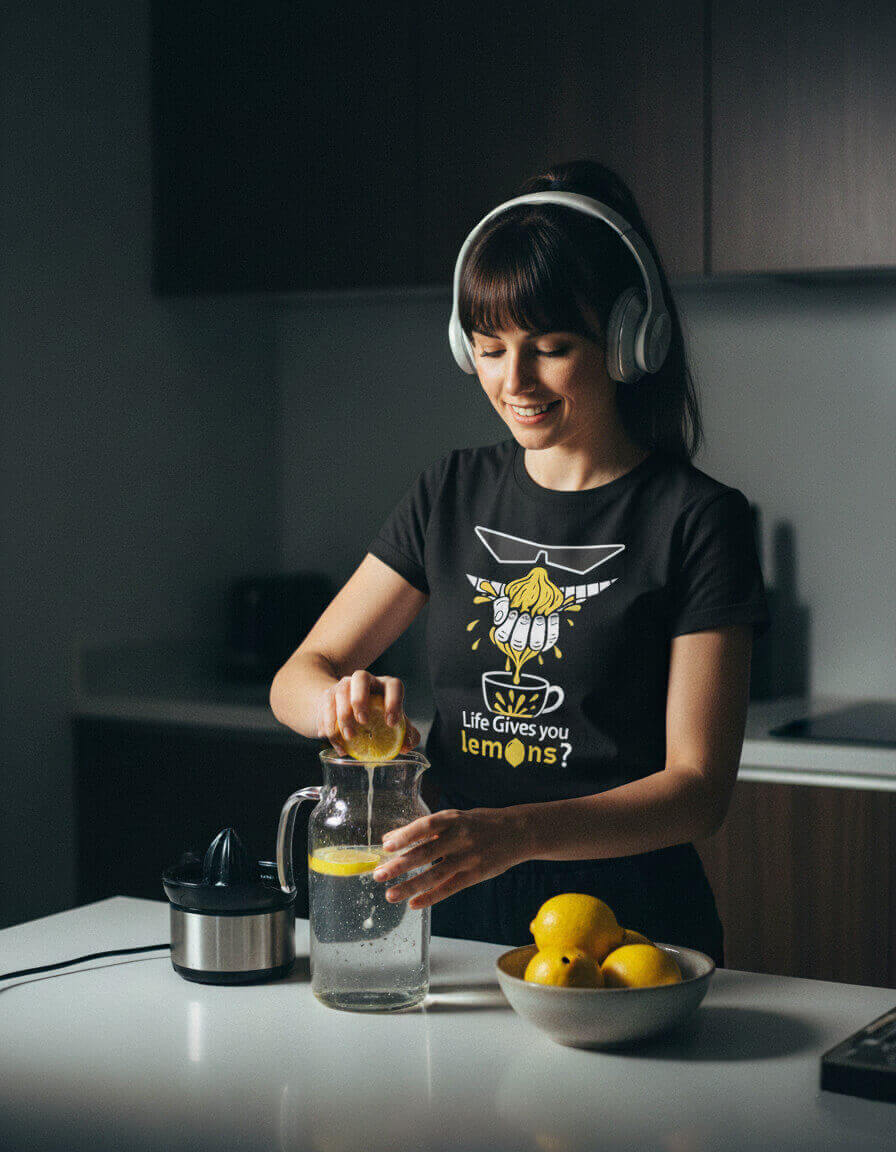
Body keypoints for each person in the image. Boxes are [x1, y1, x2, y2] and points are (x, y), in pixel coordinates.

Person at [269, 159, 769, 966]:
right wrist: (343, 706)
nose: (514, 381)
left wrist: (519, 833)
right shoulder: (451, 491)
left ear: (631, 338)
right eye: (491, 349)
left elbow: (697, 792)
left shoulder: (699, 519)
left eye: (551, 347)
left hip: (628, 919)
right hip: (458, 907)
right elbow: (298, 674)